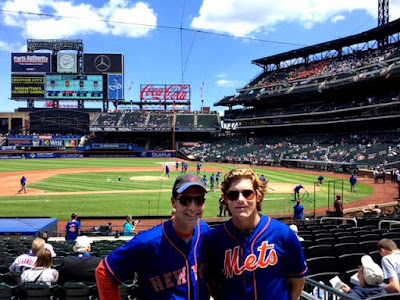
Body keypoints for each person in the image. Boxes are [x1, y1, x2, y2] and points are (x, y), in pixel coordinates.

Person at [96, 174, 210, 299]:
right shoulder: (148, 242)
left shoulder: (205, 232)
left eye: (199, 201)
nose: (193, 207)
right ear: (174, 202)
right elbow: (104, 272)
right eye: (185, 200)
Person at [206, 168, 308, 300]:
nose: (240, 199)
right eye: (233, 195)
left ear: (258, 196)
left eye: (247, 193)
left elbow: (298, 281)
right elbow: (213, 285)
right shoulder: (215, 239)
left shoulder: (284, 234)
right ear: (225, 199)